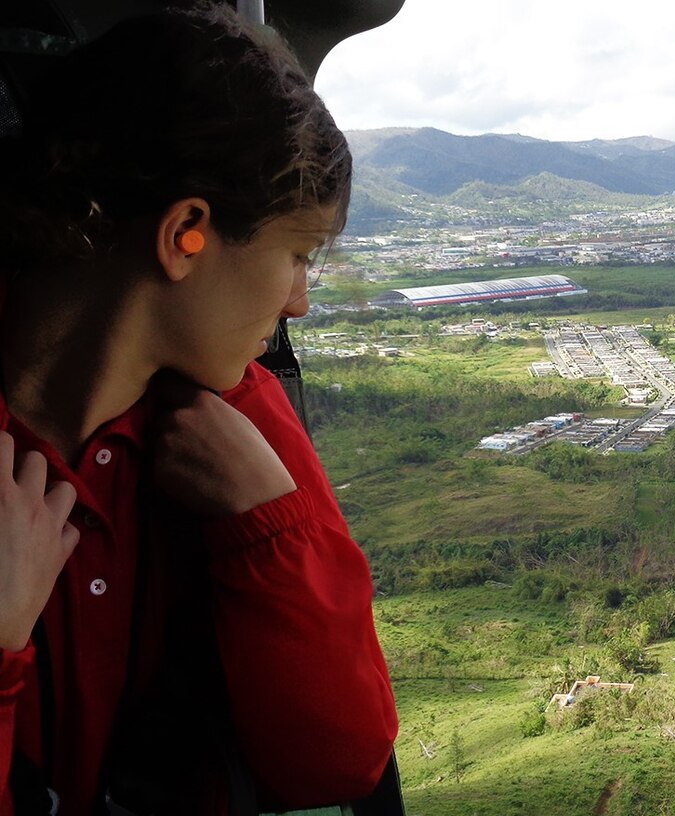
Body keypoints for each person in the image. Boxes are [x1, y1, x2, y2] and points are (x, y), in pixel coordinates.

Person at [0, 6, 398, 814]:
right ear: (186, 233)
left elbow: (340, 762)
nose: (299, 303)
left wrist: (270, 525)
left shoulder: (238, 415)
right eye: (294, 254)